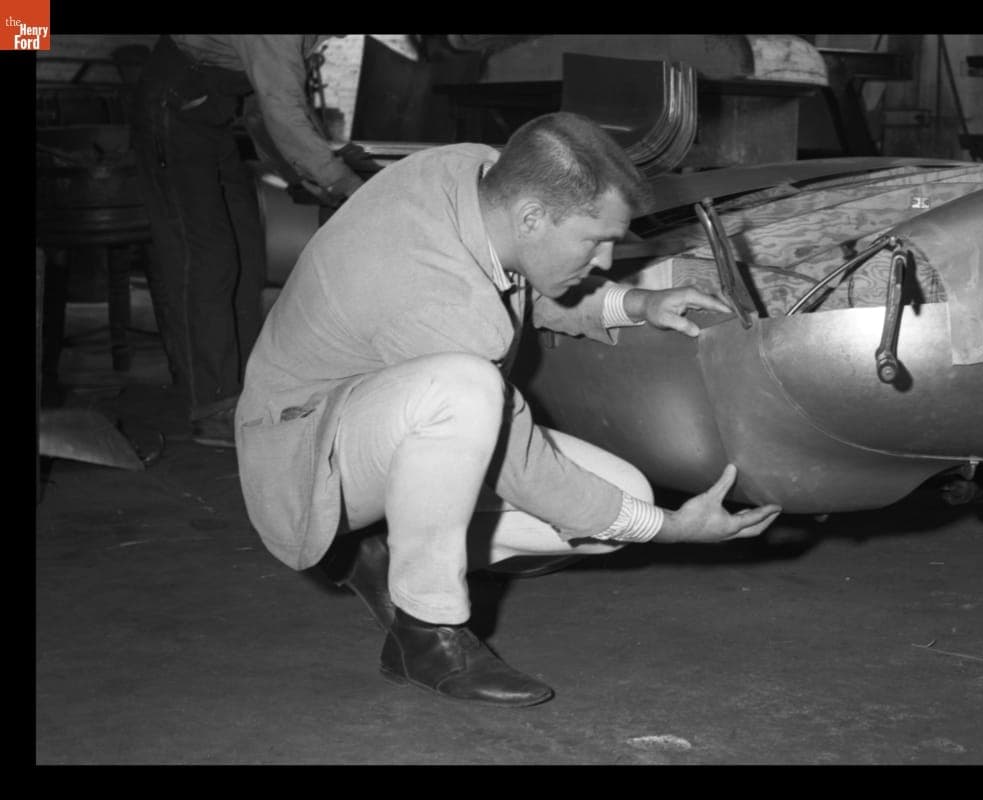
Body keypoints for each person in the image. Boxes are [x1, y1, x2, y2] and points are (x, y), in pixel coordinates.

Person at [235, 112, 782, 708]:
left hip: (380, 418)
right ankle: (426, 631)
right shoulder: (437, 294)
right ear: (530, 216)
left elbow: (516, 278)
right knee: (466, 391)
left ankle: (385, 551)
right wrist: (674, 530)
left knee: (622, 499)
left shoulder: (475, 173)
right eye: (594, 239)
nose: (603, 260)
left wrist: (640, 303)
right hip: (305, 458)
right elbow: (521, 465)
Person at [130, 35, 365, 447]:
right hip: (170, 111)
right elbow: (282, 111)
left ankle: (243, 390)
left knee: (246, 253)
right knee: (208, 257)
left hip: (209, 120)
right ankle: (211, 405)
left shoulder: (303, 41)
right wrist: (342, 181)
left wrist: (305, 174)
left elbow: (263, 110)